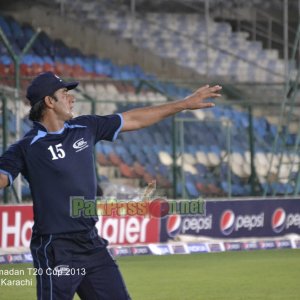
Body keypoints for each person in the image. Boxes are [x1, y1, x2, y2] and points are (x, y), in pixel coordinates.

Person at [0, 71, 221, 300]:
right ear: (49, 101)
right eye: (65, 93)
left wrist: (183, 104)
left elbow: (134, 119)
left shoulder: (85, 127)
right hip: (56, 249)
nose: (72, 98)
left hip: (91, 244)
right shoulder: (26, 148)